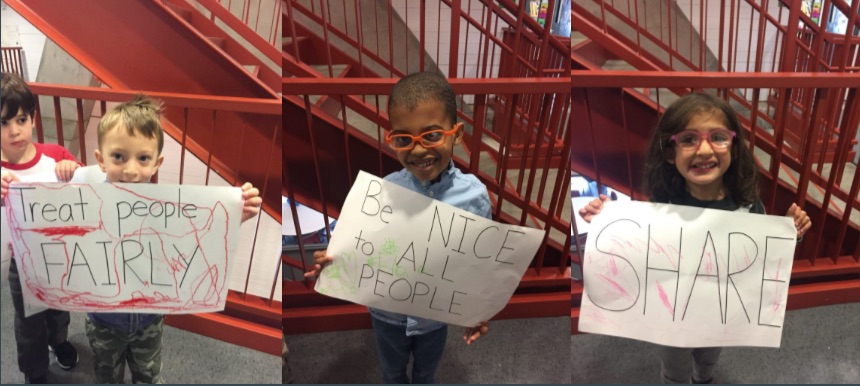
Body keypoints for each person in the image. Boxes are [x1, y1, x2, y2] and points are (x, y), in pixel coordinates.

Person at [579, 92, 812, 384]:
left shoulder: (748, 205)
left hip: (719, 314)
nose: (704, 150)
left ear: (735, 148)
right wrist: (607, 224)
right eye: (688, 139)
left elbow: (760, 258)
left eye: (718, 137)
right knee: (674, 368)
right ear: (669, 152)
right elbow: (633, 256)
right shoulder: (658, 209)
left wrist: (791, 234)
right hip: (671, 316)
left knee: (709, 359)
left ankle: (705, 378)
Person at [304, 72, 491, 384]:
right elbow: (360, 248)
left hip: (435, 319)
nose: (417, 150)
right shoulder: (382, 193)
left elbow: (479, 262)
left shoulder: (475, 198)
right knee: (391, 372)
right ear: (392, 138)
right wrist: (334, 262)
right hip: (386, 316)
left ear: (456, 134)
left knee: (426, 373)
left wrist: (478, 309)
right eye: (403, 139)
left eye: (431, 135)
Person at [81, 95, 262, 383]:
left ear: (156, 163)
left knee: (148, 374)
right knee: (106, 375)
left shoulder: (168, 209)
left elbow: (195, 235)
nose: (130, 170)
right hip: (104, 320)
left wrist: (233, 216)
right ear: (101, 160)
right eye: (118, 156)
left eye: (142, 158)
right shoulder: (84, 204)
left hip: (149, 320)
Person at [0, 72, 81, 384]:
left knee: (59, 307)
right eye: (3, 123)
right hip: (22, 263)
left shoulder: (55, 155)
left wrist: (71, 169)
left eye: (21, 119)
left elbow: (83, 194)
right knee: (29, 320)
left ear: (32, 118)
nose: (14, 131)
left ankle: (58, 340)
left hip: (59, 254)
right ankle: (34, 371)